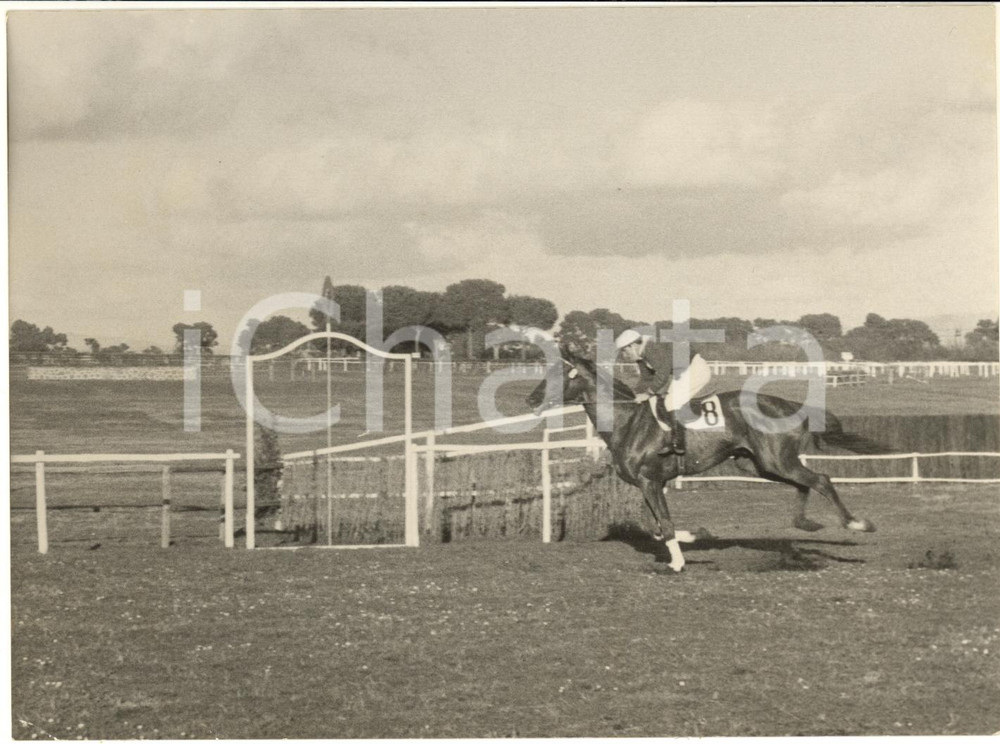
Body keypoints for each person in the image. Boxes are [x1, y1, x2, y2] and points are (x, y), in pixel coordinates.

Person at [615, 329, 712, 456]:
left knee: (671, 402)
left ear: (632, 345)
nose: (624, 355)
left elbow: (662, 374)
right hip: (684, 372)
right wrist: (634, 394)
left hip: (696, 369)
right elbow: (646, 379)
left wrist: (648, 393)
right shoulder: (641, 356)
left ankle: (679, 443)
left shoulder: (652, 347)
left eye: (624, 350)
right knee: (664, 401)